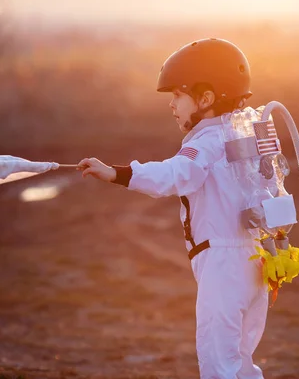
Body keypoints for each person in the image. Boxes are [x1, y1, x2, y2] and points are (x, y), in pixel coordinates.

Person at [77, 38, 268, 378]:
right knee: (241, 364)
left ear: (206, 98)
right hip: (254, 263)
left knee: (217, 365)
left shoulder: (206, 142)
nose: (172, 105)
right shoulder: (240, 137)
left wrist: (118, 173)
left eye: (178, 95)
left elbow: (176, 174)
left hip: (223, 265)